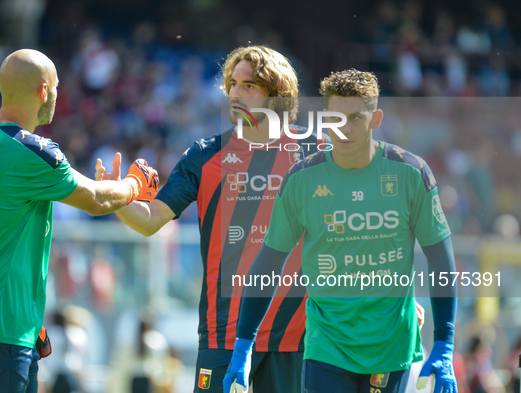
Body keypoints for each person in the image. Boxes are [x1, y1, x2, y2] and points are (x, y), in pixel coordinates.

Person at [96, 45, 319, 393]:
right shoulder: (205, 155)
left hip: (299, 339)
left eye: (249, 86)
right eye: (232, 84)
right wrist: (117, 196)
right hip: (223, 337)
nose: (235, 93)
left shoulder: (317, 153)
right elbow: (151, 219)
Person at [223, 69, 458, 393]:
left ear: (376, 119)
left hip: (392, 345)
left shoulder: (410, 173)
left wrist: (444, 344)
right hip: (326, 345)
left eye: (355, 118)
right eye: (335, 118)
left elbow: (441, 260)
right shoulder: (302, 179)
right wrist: (244, 343)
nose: (343, 129)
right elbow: (269, 263)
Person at [0, 49, 158, 393]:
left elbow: (0, 236)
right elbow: (95, 199)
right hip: (0, 325)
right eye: (57, 87)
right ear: (44, 91)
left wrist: (31, 323)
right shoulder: (30, 151)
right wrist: (135, 185)